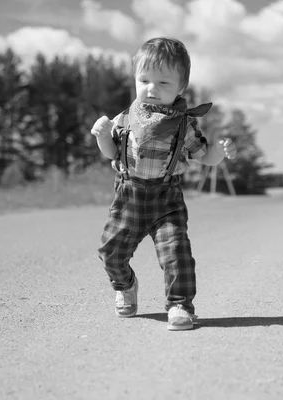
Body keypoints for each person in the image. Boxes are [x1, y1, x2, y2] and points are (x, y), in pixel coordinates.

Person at [90, 37, 237, 331]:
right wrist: (102, 136)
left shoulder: (184, 123)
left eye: (163, 83)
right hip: (129, 194)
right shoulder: (125, 118)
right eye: (143, 80)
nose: (151, 88)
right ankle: (125, 284)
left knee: (176, 253)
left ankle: (180, 305)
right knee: (111, 252)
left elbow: (204, 156)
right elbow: (111, 152)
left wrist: (218, 153)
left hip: (166, 198)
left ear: (181, 88)